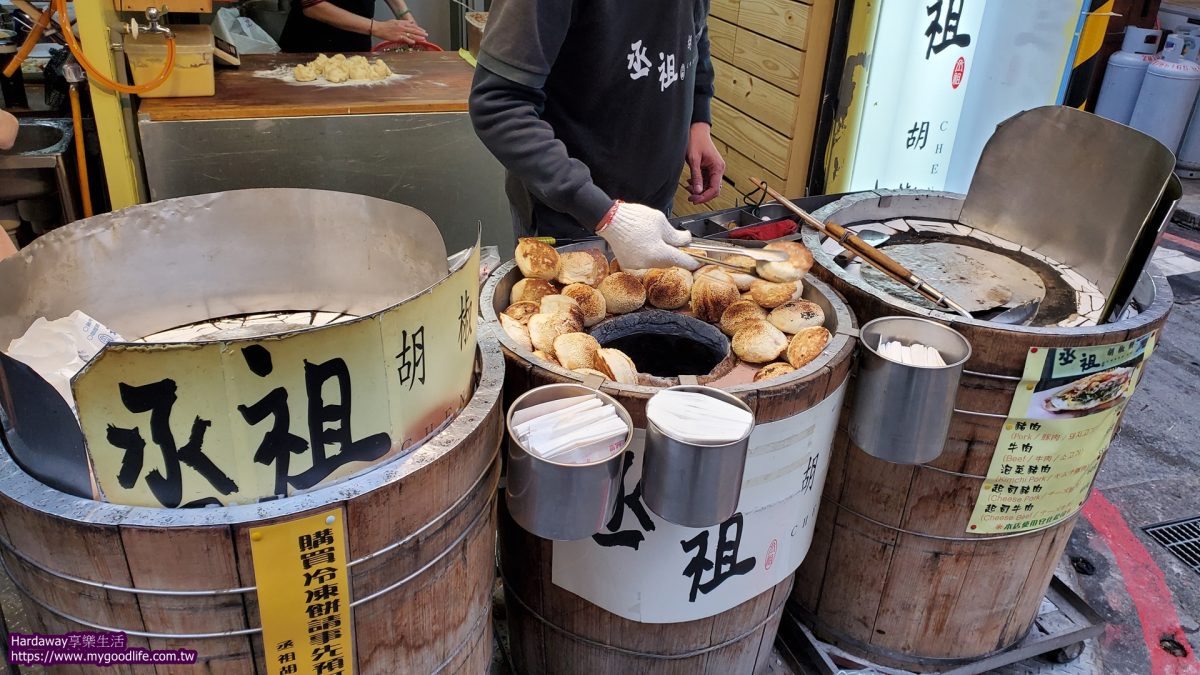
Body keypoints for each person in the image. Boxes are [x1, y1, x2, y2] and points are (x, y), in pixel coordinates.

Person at [469, 0, 725, 271]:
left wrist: (698, 119)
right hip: (571, 216)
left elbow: (693, 34)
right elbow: (498, 103)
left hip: (655, 210)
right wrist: (606, 215)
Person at [280, 0, 428, 54]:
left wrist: (406, 18)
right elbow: (312, 5)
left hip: (356, 45)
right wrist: (378, 27)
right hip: (310, 49)